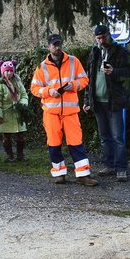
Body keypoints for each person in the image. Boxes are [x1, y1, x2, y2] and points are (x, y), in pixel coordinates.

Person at [30, 33, 98, 186]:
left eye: (59, 43)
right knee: (53, 144)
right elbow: (34, 88)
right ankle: (59, 174)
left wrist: (73, 85)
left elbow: (84, 80)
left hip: (70, 112)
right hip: (51, 113)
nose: (57, 47)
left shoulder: (74, 61)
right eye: (54, 44)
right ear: (49, 46)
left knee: (76, 143)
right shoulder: (42, 67)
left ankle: (82, 174)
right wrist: (49, 91)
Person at [82, 24, 130, 181]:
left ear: (109, 35)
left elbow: (128, 73)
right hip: (97, 102)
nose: (101, 40)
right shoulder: (95, 52)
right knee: (104, 137)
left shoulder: (120, 51)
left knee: (117, 137)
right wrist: (87, 100)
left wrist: (114, 71)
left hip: (114, 101)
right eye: (98, 38)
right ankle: (109, 165)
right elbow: (89, 78)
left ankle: (121, 168)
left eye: (103, 37)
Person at [0, 60, 28, 161]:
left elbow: (24, 95)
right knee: (6, 136)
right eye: (6, 71)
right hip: (6, 113)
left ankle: (20, 154)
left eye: (11, 71)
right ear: (3, 72)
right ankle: (9, 155)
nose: (9, 73)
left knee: (21, 135)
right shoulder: (0, 84)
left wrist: (22, 104)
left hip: (18, 113)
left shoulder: (18, 82)